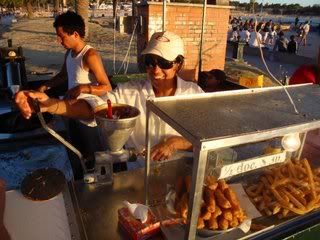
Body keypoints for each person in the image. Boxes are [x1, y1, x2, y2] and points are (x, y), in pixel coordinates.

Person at [15, 31, 204, 162]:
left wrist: (175, 143)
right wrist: (51, 105)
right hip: (137, 174)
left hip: (182, 174)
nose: (155, 69)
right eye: (149, 61)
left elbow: (208, 137)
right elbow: (95, 107)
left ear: (178, 64)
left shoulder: (194, 95)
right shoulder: (130, 92)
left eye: (163, 62)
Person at [37, 11, 112, 98]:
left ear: (75, 34)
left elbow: (107, 88)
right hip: (71, 102)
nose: (59, 41)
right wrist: (44, 86)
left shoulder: (90, 56)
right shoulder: (69, 52)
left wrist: (82, 88)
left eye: (62, 36)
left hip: (87, 106)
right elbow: (63, 75)